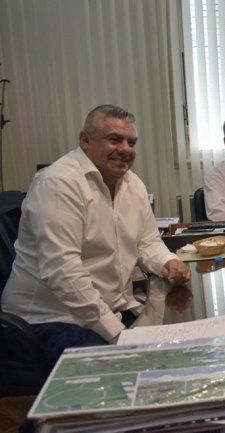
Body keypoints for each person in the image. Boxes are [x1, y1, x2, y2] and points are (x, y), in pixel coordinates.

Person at [1, 105, 191, 365]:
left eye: (131, 142)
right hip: (49, 320)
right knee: (123, 370)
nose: (125, 149)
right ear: (85, 140)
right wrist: (115, 333)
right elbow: (63, 271)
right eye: (114, 139)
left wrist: (167, 261)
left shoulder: (133, 184)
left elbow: (147, 241)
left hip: (109, 309)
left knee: (176, 352)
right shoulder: (58, 183)